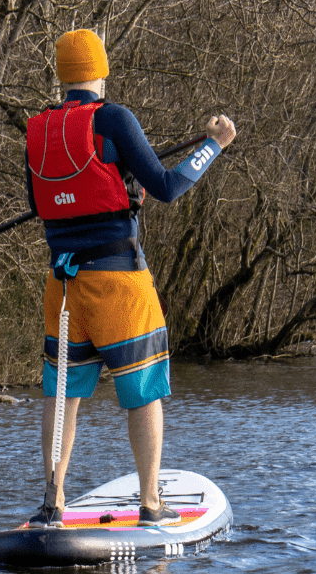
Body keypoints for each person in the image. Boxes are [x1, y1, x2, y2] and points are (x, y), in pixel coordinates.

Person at [24, 29, 236, 528]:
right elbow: (166, 186)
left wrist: (120, 191)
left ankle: (52, 502)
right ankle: (149, 503)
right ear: (102, 70)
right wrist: (214, 145)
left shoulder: (38, 130)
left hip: (64, 286)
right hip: (119, 283)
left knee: (63, 396)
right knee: (143, 394)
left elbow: (40, 206)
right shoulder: (114, 118)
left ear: (61, 75)